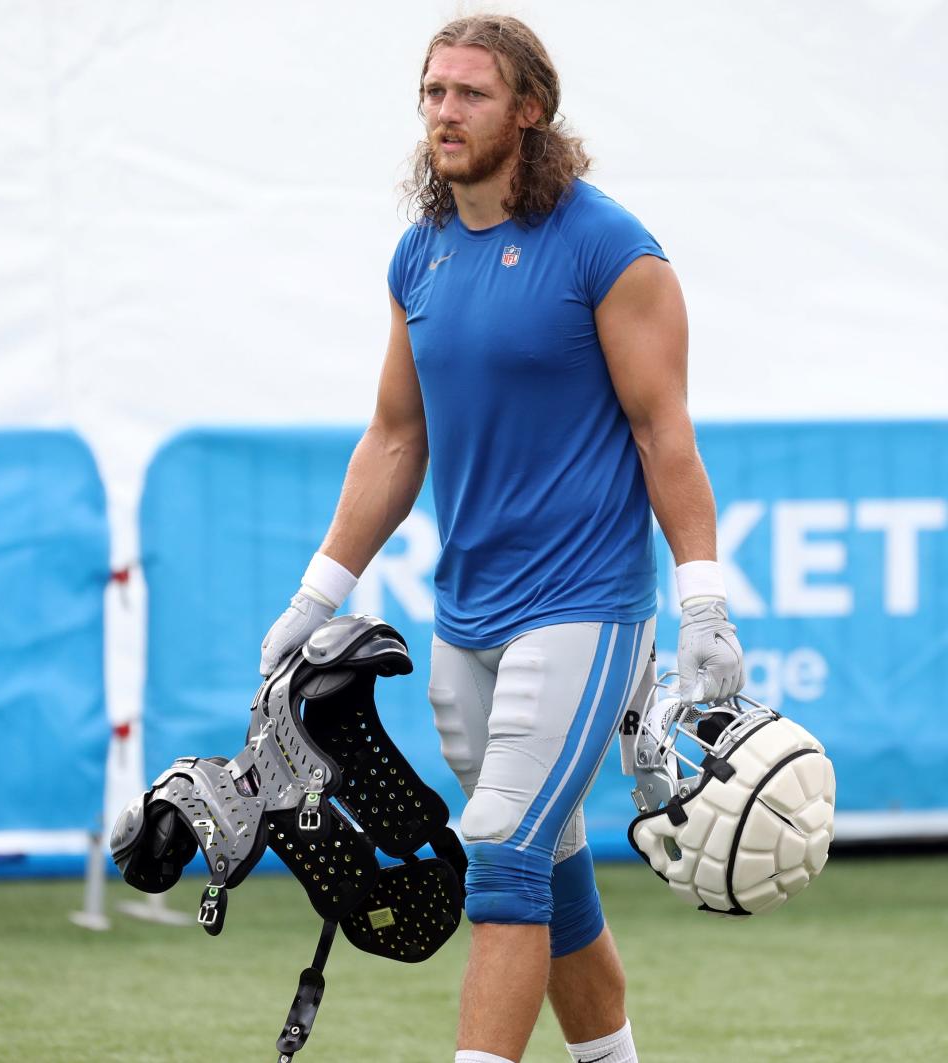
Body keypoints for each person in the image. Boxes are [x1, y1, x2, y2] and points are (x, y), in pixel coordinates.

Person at [260, 15, 745, 1063]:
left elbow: (666, 432)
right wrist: (315, 596)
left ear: (529, 109)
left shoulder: (611, 248)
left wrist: (701, 596)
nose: (444, 111)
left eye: (470, 94)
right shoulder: (420, 255)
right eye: (433, 92)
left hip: (585, 610)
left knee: (503, 853)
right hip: (467, 613)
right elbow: (396, 438)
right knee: (552, 873)